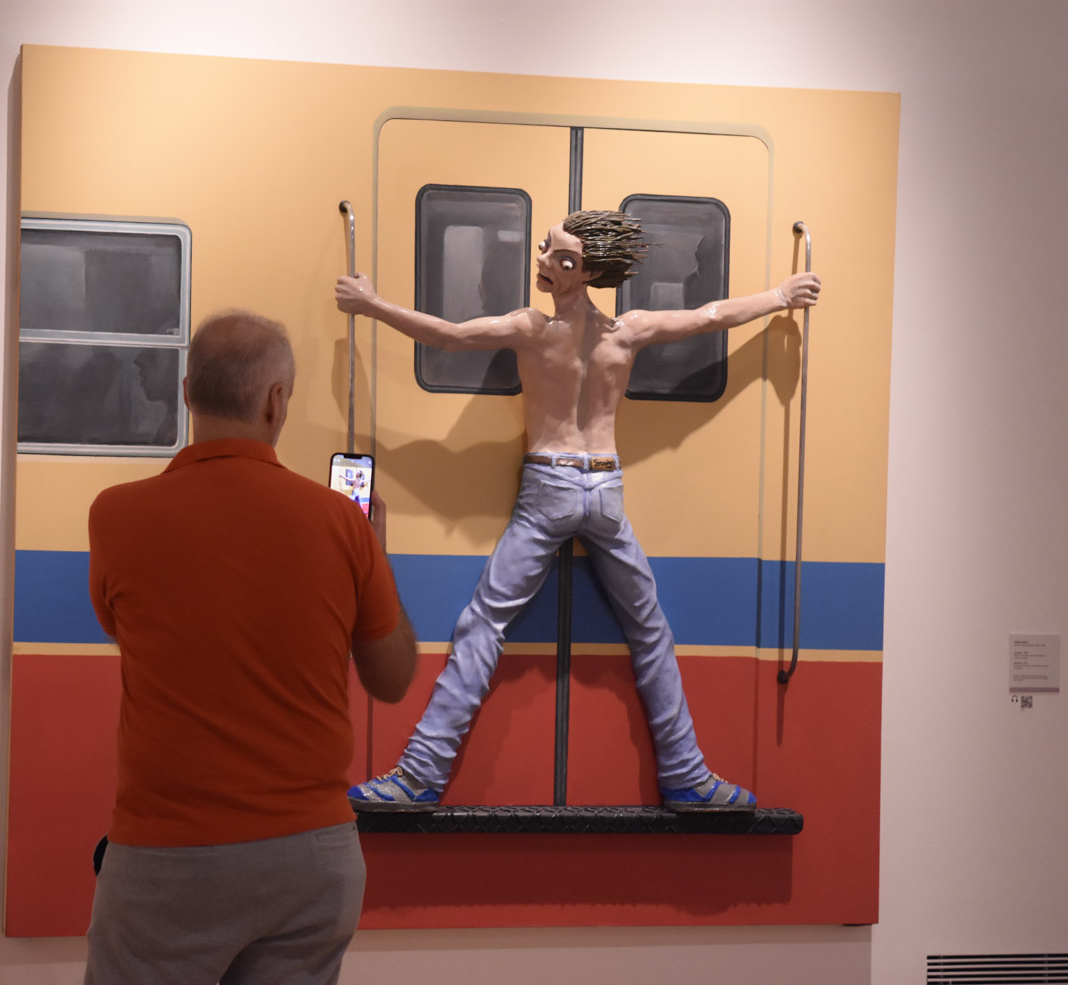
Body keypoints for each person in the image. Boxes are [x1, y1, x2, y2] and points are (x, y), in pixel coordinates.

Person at [335, 210, 820, 813]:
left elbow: (448, 336)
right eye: (545, 246)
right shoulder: (628, 330)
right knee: (650, 632)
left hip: (549, 488)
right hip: (605, 488)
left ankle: (419, 776)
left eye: (558, 257)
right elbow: (709, 316)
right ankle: (687, 776)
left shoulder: (531, 329)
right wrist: (780, 296)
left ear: (584, 272)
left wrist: (370, 304)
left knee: (483, 626)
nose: (542, 260)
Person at [81, 309, 417, 985]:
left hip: (165, 854)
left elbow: (128, 633)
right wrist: (374, 558)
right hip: (310, 857)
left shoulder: (115, 514)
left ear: (186, 392)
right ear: (275, 400)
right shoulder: (340, 522)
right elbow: (392, 679)